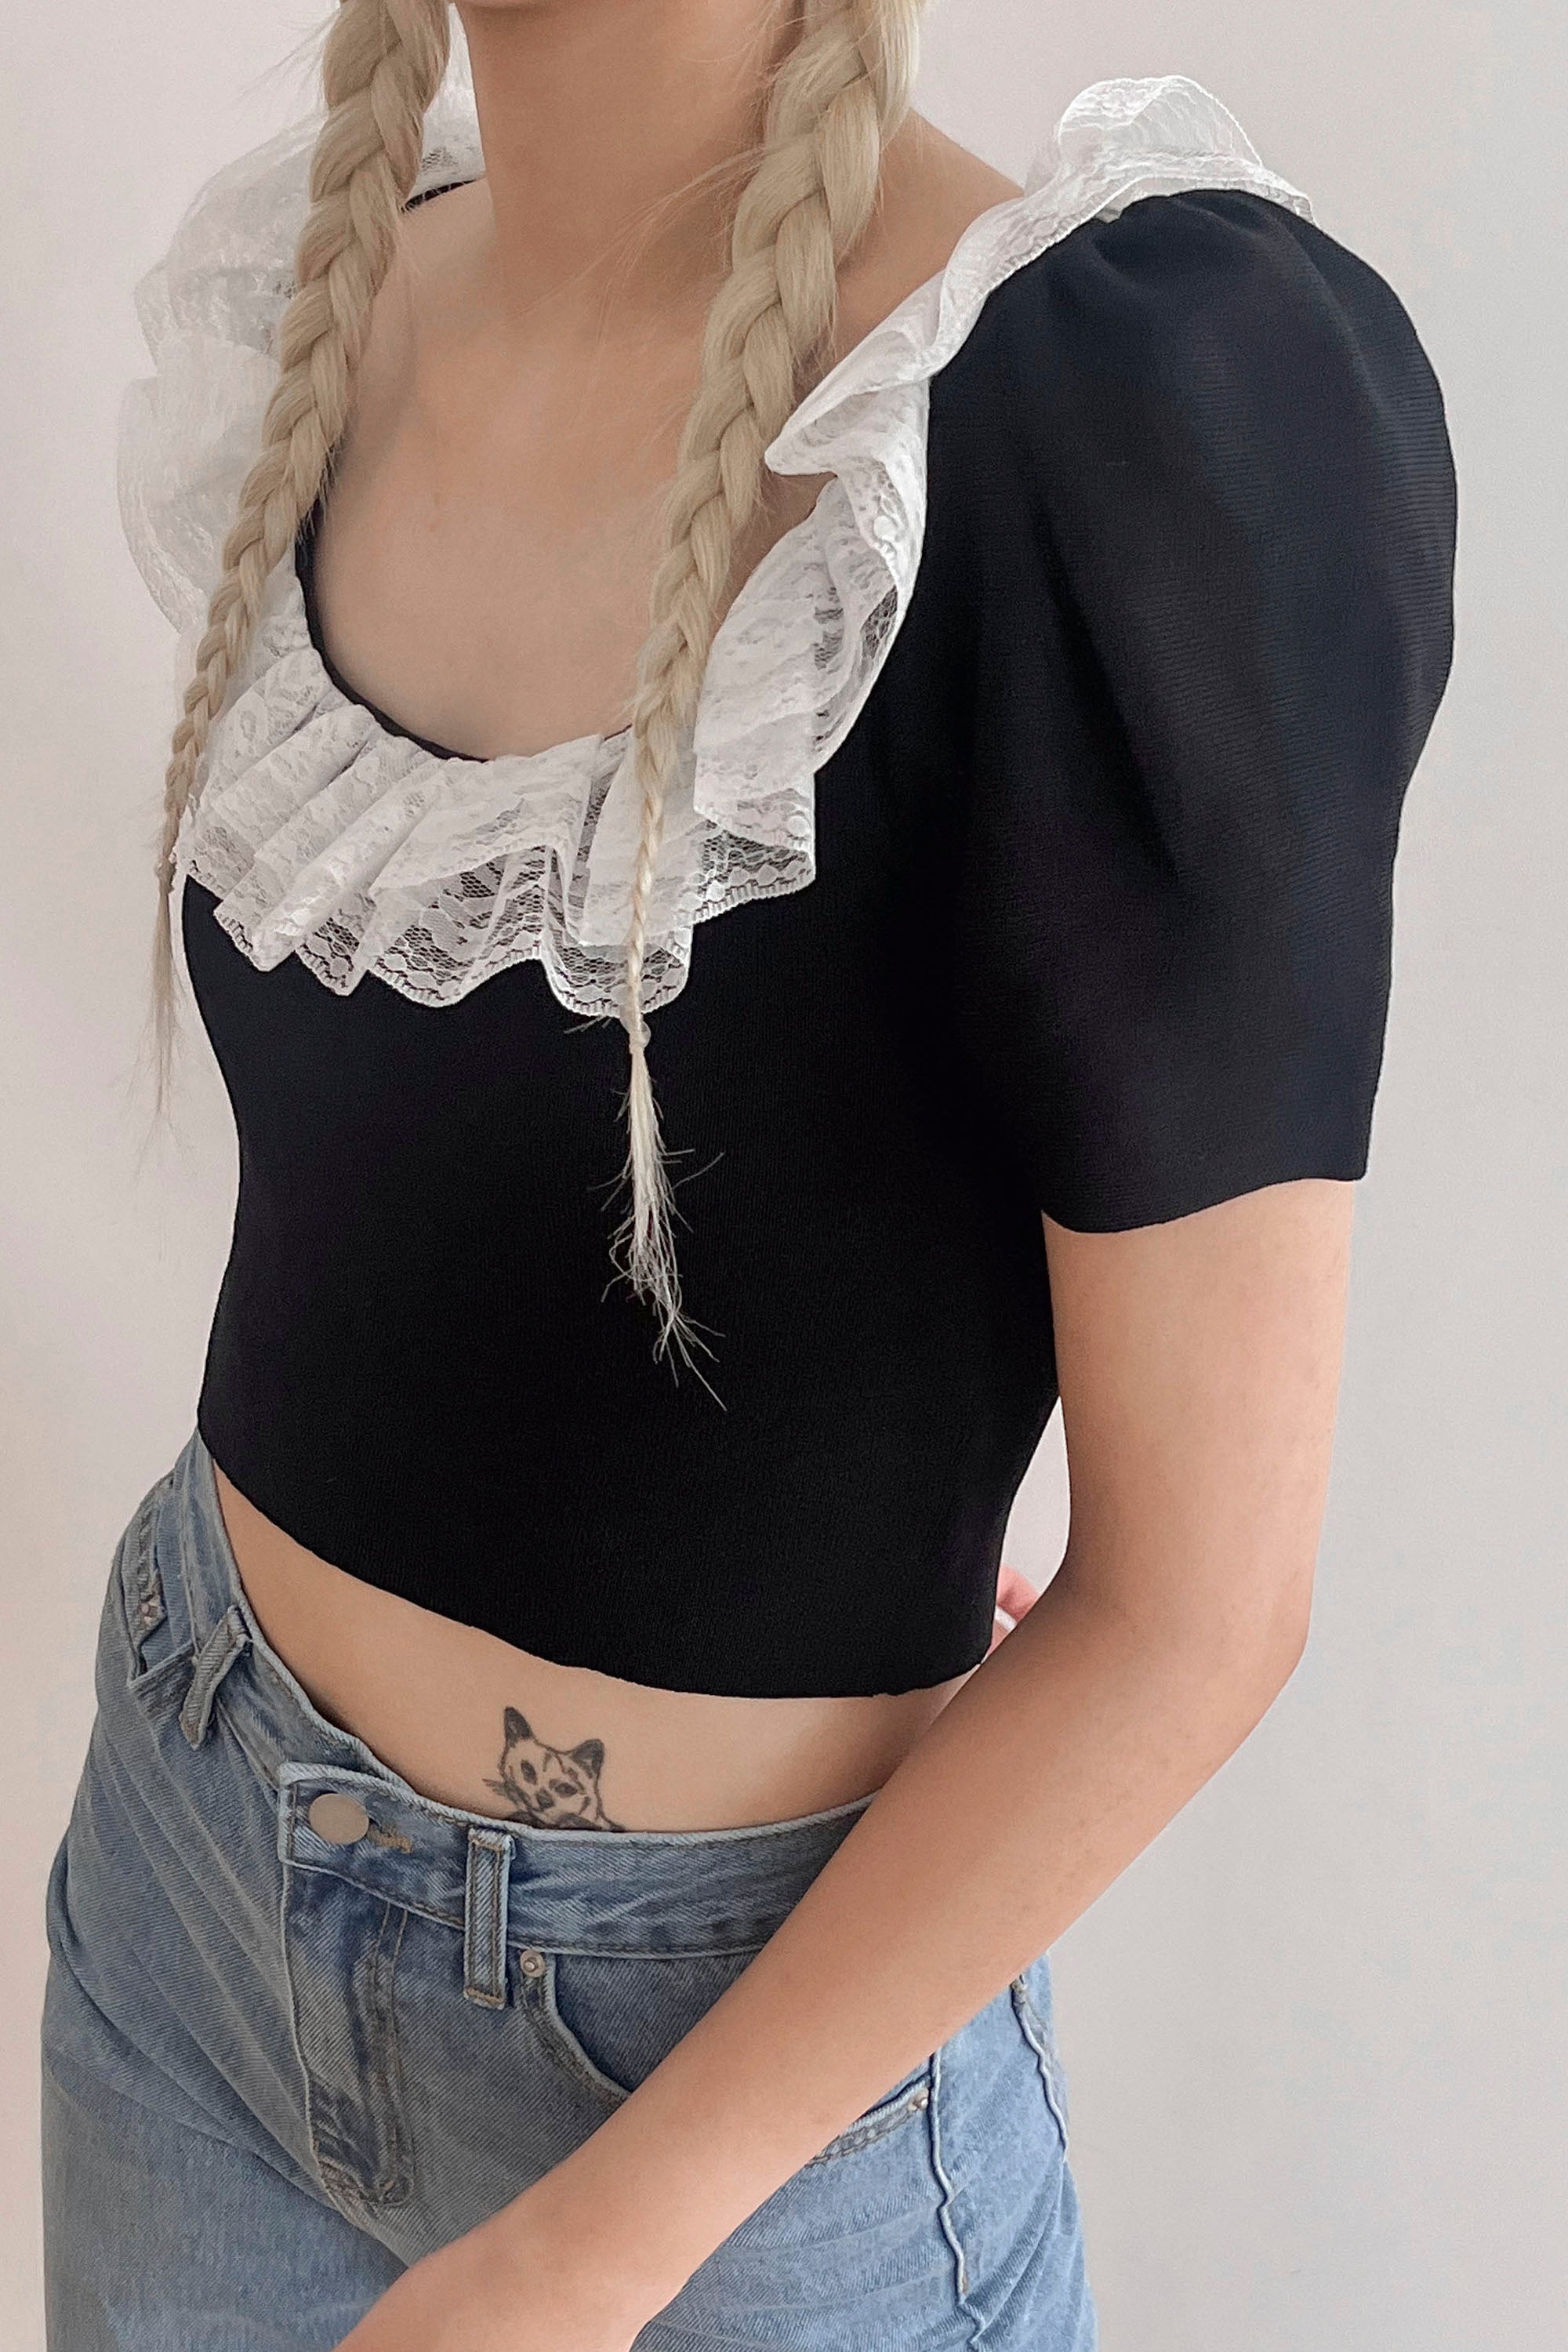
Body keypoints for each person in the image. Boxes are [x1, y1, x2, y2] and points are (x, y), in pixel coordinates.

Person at [39, 4, 1457, 2347]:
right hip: (190, 1889)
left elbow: (1203, 1605)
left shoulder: (1114, 402)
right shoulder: (342, 294)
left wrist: (588, 2254)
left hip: (743, 2101)